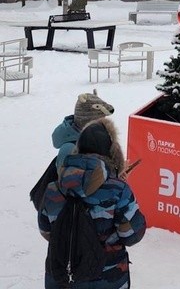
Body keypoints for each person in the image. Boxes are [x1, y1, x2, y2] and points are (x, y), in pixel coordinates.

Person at [38, 118, 147, 289]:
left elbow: (46, 230)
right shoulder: (118, 190)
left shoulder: (54, 186)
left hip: (62, 277)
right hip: (107, 277)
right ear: (111, 153)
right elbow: (133, 234)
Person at [52, 91, 115, 169]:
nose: (102, 127)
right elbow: (68, 179)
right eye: (100, 122)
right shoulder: (69, 149)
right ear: (88, 123)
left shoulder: (96, 138)